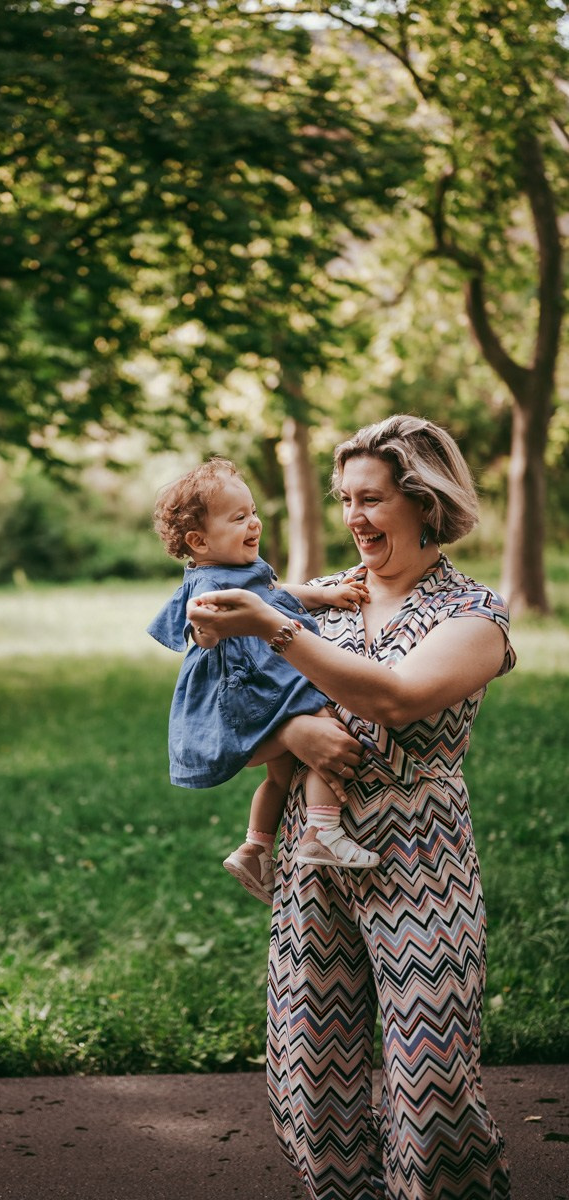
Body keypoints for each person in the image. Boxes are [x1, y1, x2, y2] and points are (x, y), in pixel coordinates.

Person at [188, 415, 514, 1200]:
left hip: (419, 856)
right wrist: (294, 727)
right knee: (311, 1073)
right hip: (313, 850)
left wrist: (273, 625)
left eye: (371, 499)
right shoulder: (323, 598)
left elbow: (394, 699)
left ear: (425, 502)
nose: (354, 519)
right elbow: (213, 677)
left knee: (431, 1081)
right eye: (344, 500)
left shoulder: (473, 614)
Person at [148, 457, 378, 908]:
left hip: (260, 677)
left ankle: (255, 847)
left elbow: (276, 595)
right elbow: (201, 621)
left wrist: (326, 594)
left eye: (252, 511)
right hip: (252, 685)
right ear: (199, 540)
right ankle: (323, 830)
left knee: (280, 775)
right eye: (239, 518)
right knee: (322, 719)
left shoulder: (239, 569)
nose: (254, 523)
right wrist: (207, 631)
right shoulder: (209, 582)